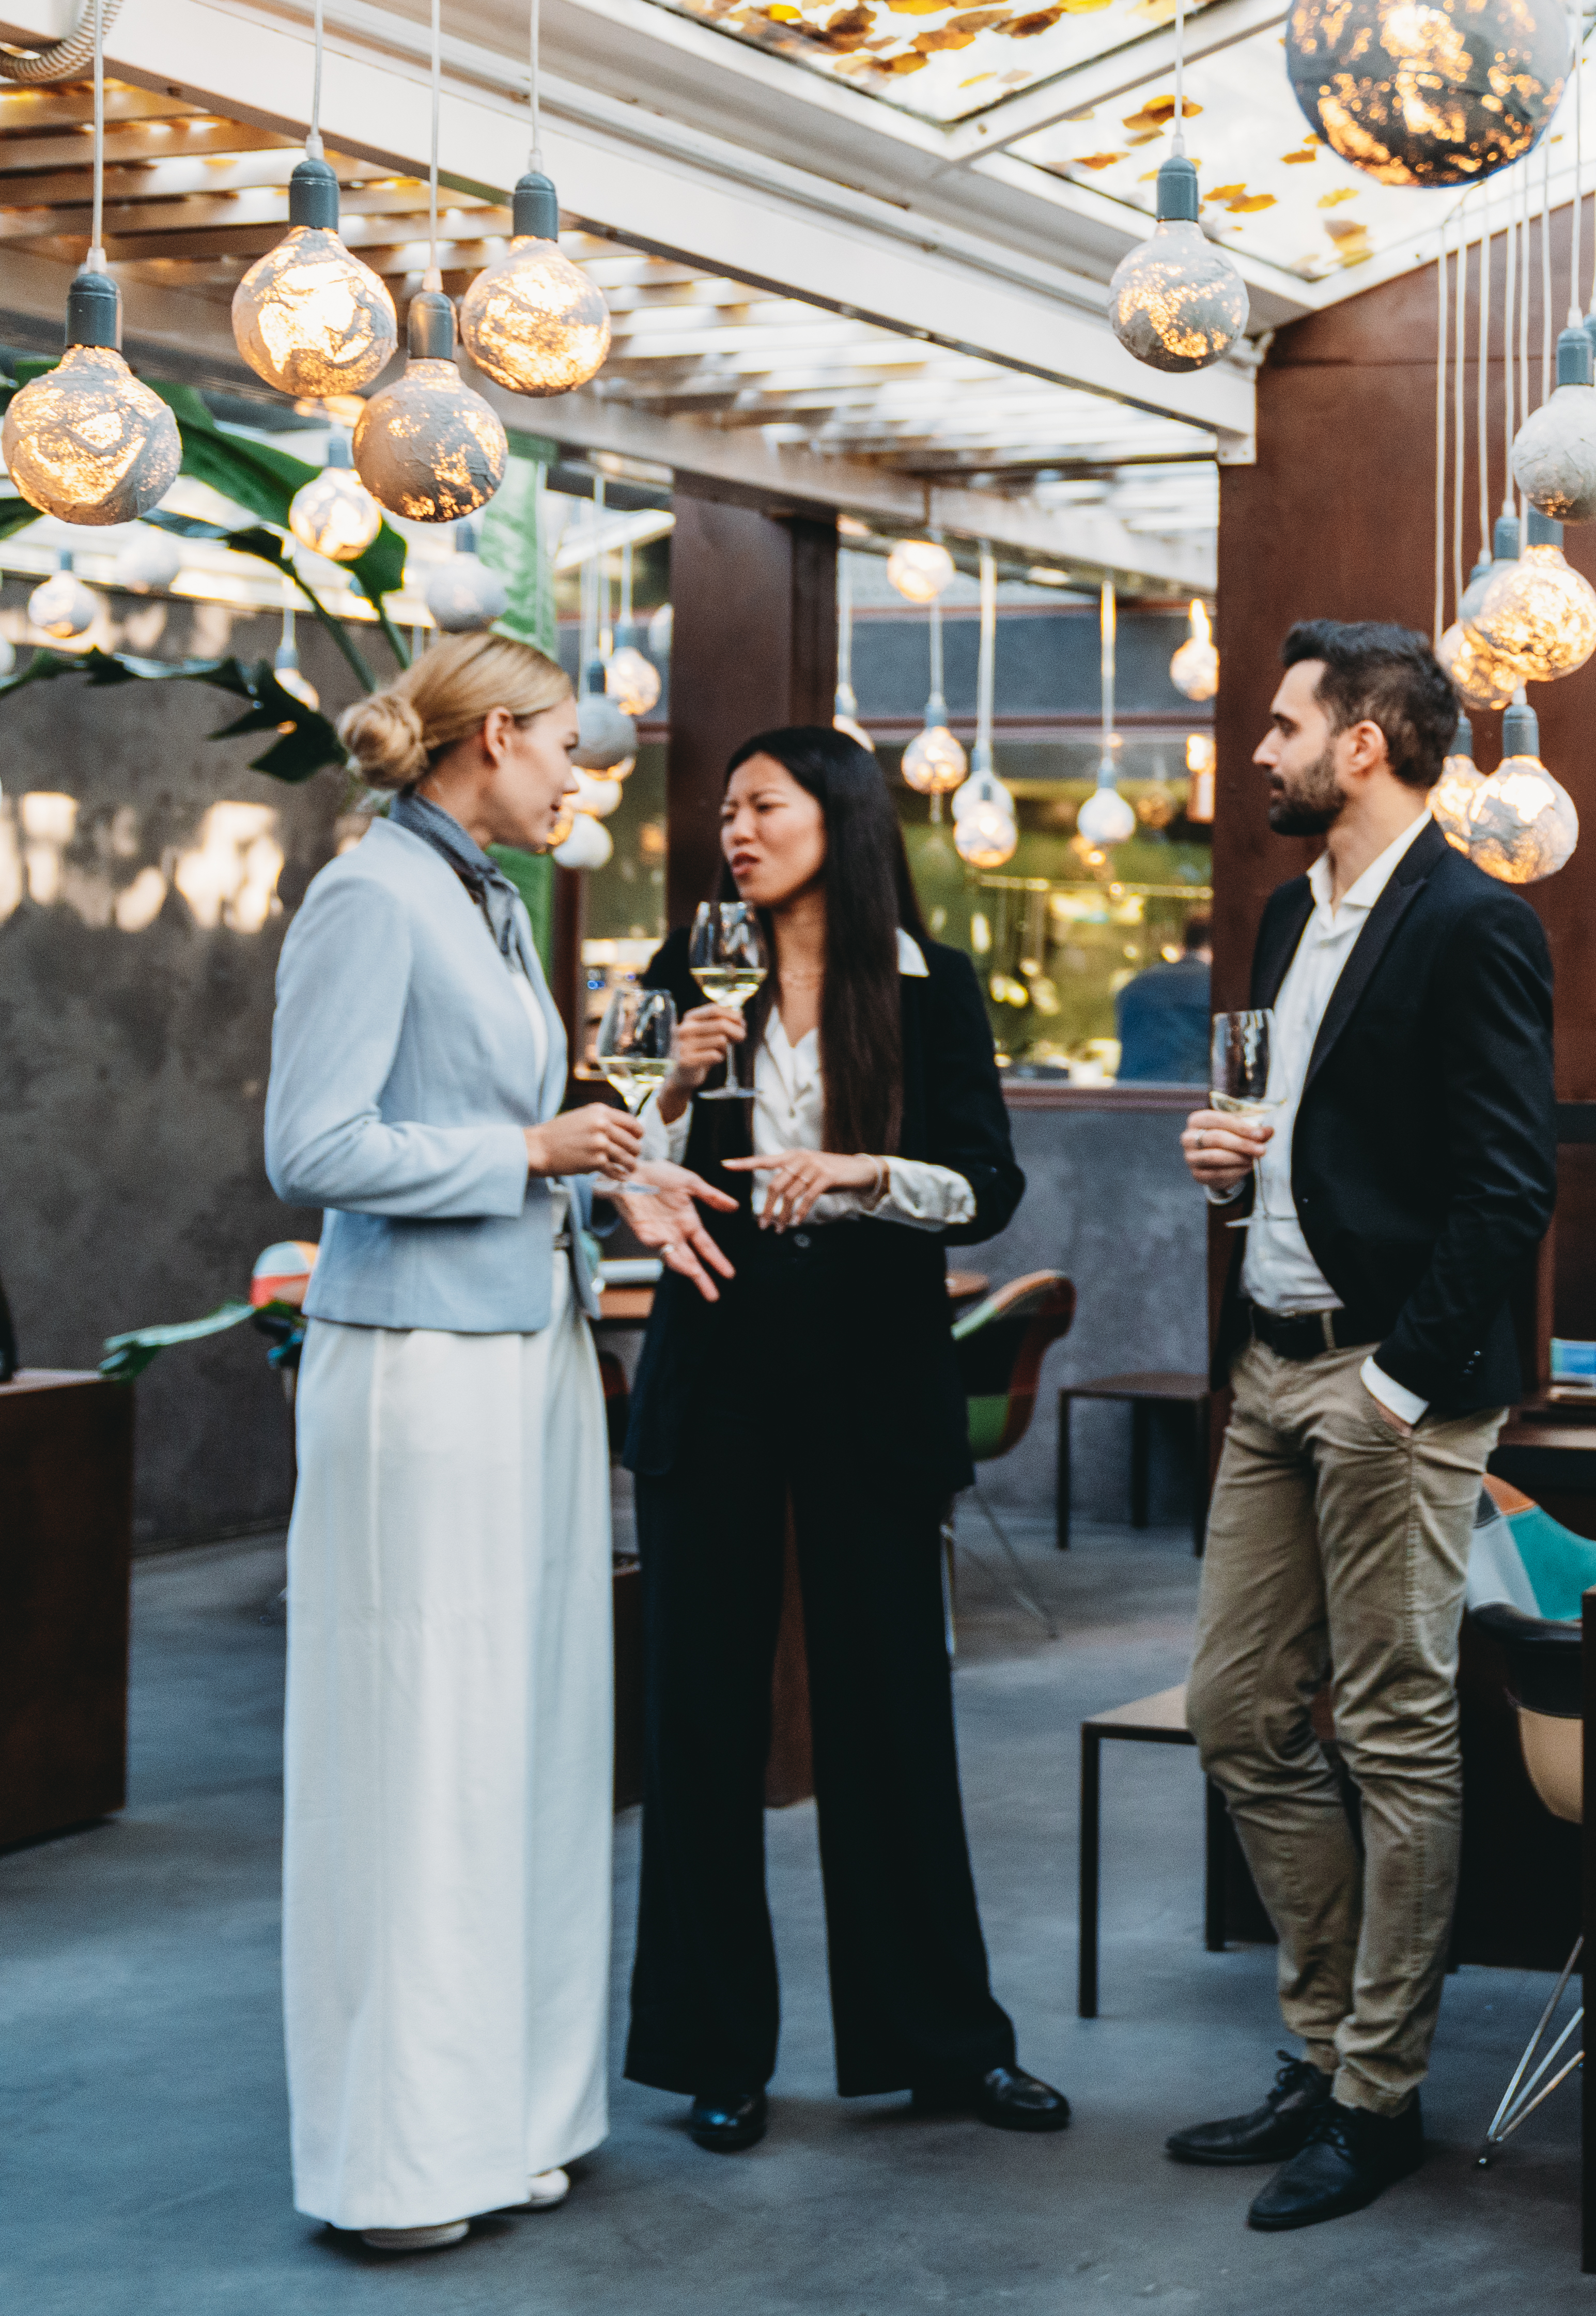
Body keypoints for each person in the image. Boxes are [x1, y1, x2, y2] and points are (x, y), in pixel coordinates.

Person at [264, 631, 718, 2252]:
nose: (579, 777)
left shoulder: (490, 901)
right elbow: (313, 1145)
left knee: (526, 1738)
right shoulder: (371, 895)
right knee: (420, 1749)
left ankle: (512, 2118)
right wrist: (531, 1149)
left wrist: (612, 1172)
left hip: (524, 1350)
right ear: (494, 737)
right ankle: (396, 2164)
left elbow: (499, 1130)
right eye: (567, 747)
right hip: (415, 1369)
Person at [610, 725, 1068, 2153]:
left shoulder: (934, 988)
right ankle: (714, 2051)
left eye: (765, 805)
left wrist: (867, 1173)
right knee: (702, 1716)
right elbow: (614, 1161)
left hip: (872, 1376)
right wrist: (665, 1089)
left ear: (842, 817)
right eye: (726, 812)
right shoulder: (687, 975)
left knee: (893, 1710)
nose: (735, 831)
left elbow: (988, 1185)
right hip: (716, 1366)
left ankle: (944, 2042)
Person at [1168, 620, 1555, 2231]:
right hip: (1267, 1368)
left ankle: (1374, 2095)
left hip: (1392, 1382)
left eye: (1281, 725)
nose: (1258, 749)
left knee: (1395, 1732)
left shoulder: (1475, 924)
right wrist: (1231, 1164)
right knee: (1237, 1712)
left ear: (1366, 744)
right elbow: (1309, 1142)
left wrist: (1401, 1384)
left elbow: (1508, 1185)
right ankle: (1327, 2046)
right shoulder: (1287, 913)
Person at [1114, 915, 1215, 1083]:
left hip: (1133, 1091)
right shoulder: (1215, 986)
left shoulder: (1137, 985)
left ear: (1183, 946)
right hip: (1194, 1092)